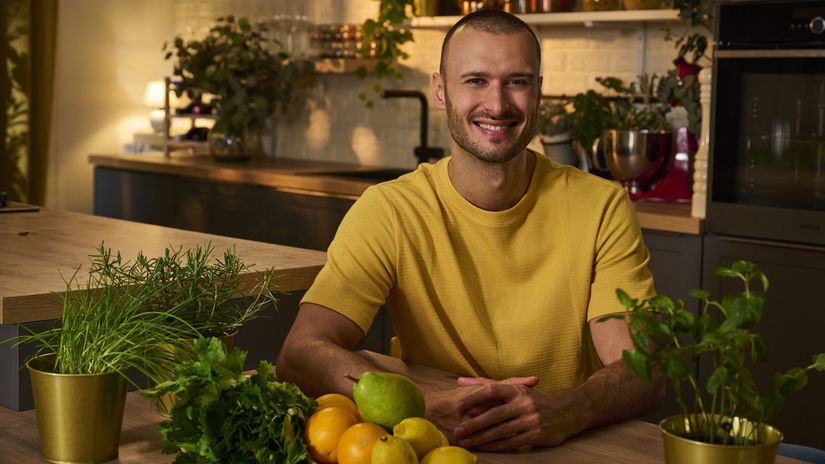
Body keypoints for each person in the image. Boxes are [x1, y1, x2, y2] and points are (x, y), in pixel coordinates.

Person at [276, 10, 663, 452]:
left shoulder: (601, 207)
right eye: (475, 80)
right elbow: (301, 352)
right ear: (441, 91)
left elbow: (644, 370)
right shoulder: (389, 210)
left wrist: (568, 408)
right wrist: (418, 403)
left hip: (566, 447)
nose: (497, 105)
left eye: (516, 81)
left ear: (538, 91)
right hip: (436, 448)